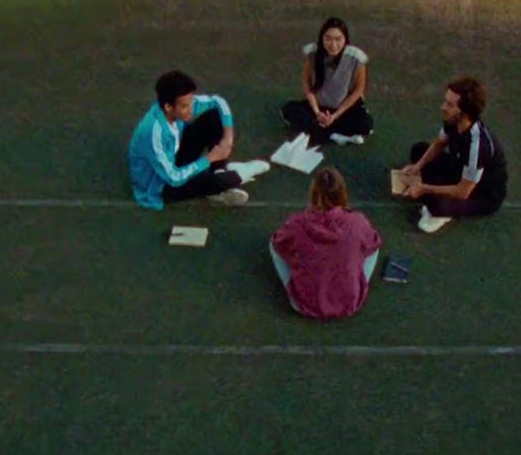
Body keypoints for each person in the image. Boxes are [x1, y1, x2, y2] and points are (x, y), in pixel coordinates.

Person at [128, 70, 266, 209]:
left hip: (174, 158)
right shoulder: (154, 134)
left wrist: (227, 139)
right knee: (217, 181)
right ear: (168, 107)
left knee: (214, 116)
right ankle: (234, 177)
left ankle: (220, 173)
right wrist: (210, 158)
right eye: (184, 106)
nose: (190, 109)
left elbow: (218, 101)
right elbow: (173, 178)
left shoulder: (178, 108)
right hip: (160, 184)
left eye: (191, 102)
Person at [398, 76, 507, 233]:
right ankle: (433, 188)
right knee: (419, 150)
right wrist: (417, 166)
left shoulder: (478, 145)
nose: (443, 107)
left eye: (449, 105)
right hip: (461, 169)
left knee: (438, 205)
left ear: (464, 113)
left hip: (481, 194)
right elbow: (439, 144)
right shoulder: (452, 121)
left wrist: (424, 189)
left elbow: (463, 192)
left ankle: (441, 211)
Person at [270, 169, 382, 320]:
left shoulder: (296, 224)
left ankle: (299, 284)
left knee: (274, 245)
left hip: (304, 304)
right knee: (371, 245)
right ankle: (354, 280)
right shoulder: (358, 222)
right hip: (350, 302)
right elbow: (373, 242)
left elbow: (278, 242)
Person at [281, 17, 373, 145]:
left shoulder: (356, 58)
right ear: (322, 38)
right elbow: (307, 84)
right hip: (319, 107)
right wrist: (317, 112)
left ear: (345, 39)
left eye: (338, 39)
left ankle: (324, 131)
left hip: (344, 109)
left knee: (365, 124)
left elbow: (358, 91)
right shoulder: (313, 53)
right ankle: (334, 134)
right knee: (289, 109)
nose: (333, 44)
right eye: (328, 39)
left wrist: (334, 116)